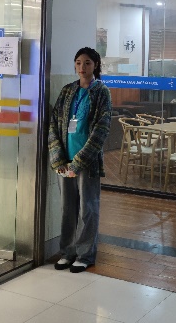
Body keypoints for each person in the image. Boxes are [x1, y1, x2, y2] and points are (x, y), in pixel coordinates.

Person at [49, 47, 112, 273]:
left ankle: (85, 255)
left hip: (87, 163)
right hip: (64, 161)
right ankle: (68, 252)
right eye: (78, 63)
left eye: (87, 63)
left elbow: (101, 129)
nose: (81, 67)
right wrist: (58, 158)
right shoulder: (68, 91)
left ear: (95, 65)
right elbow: (54, 123)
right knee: (67, 209)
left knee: (88, 209)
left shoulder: (101, 92)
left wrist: (79, 162)